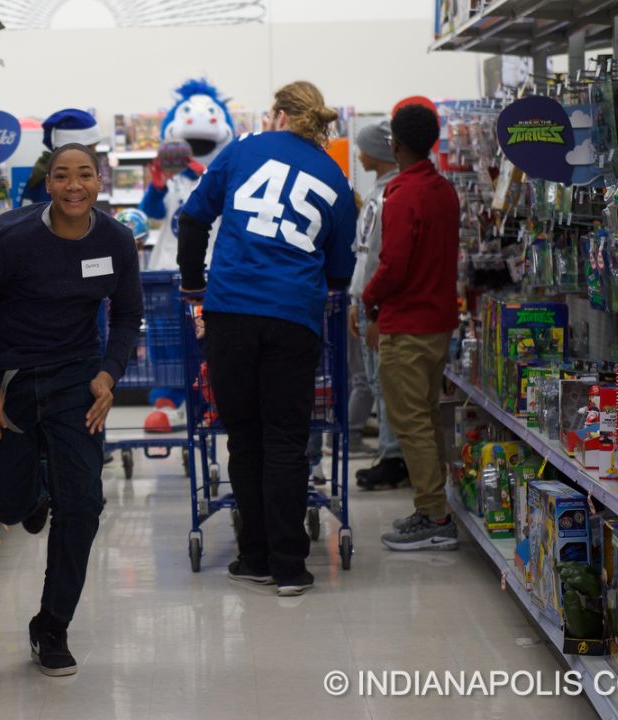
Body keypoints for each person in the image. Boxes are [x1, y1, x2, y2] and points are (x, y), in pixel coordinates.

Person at [0, 143, 144, 676]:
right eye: (63, 176)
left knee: (82, 504)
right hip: (9, 382)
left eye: (84, 175)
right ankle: (33, 492)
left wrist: (109, 373)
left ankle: (52, 625)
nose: (74, 186)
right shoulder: (7, 237)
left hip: (76, 380)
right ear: (49, 184)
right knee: (10, 508)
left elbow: (128, 315)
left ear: (99, 182)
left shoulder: (116, 240)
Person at [178, 81, 356, 596]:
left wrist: (194, 286)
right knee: (285, 440)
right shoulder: (336, 178)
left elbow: (193, 220)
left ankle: (252, 554)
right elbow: (340, 268)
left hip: (230, 312)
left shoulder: (243, 149)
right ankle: (289, 566)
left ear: (277, 114)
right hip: (293, 320)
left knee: (245, 438)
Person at [362, 104, 461, 551]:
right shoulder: (444, 190)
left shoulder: (402, 195)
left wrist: (368, 298)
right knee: (426, 417)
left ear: (395, 145)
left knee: (412, 422)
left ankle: (435, 516)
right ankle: (430, 505)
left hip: (406, 325)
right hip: (438, 322)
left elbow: (393, 265)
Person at [348, 120, 409, 491]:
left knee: (384, 385)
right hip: (366, 298)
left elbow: (380, 259)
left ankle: (393, 457)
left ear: (377, 152)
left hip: (376, 302)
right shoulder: (378, 192)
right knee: (375, 381)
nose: (358, 153)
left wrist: (372, 307)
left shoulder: (389, 196)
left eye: (362, 147)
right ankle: (390, 453)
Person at [20, 109, 103, 206]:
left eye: (85, 176)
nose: (74, 186)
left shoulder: (43, 169)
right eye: (92, 148)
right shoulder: (51, 186)